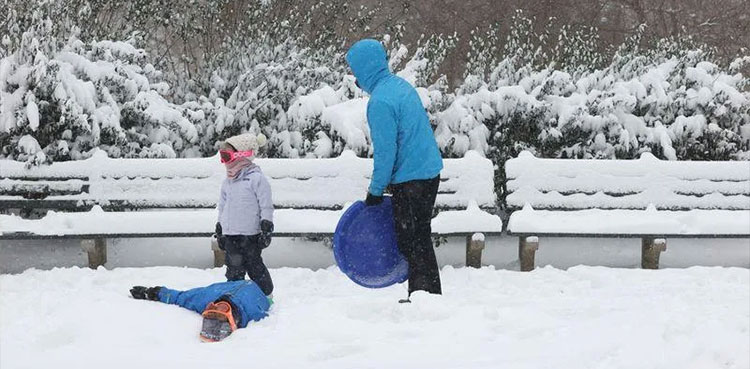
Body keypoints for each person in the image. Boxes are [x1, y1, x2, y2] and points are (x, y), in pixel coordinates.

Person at [345, 39, 444, 301]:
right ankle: (425, 294)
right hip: (428, 173)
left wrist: (375, 191)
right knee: (419, 236)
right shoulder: (400, 87)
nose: (354, 78)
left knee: (411, 240)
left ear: (365, 69)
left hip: (412, 178)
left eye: (355, 71)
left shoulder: (379, 102)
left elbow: (386, 152)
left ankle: (426, 296)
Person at [214, 133, 275, 296]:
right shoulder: (227, 182)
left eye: (226, 156)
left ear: (240, 156)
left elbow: (266, 205)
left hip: (250, 234)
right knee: (233, 268)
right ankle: (234, 295)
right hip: (230, 234)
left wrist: (266, 226)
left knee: (254, 266)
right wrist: (220, 227)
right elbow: (222, 206)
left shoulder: (256, 179)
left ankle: (266, 294)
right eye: (222, 157)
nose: (224, 161)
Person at [129, 280, 271, 342]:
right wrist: (152, 292)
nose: (217, 310)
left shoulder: (254, 314)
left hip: (253, 289)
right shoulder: (202, 298)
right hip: (230, 287)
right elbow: (178, 296)